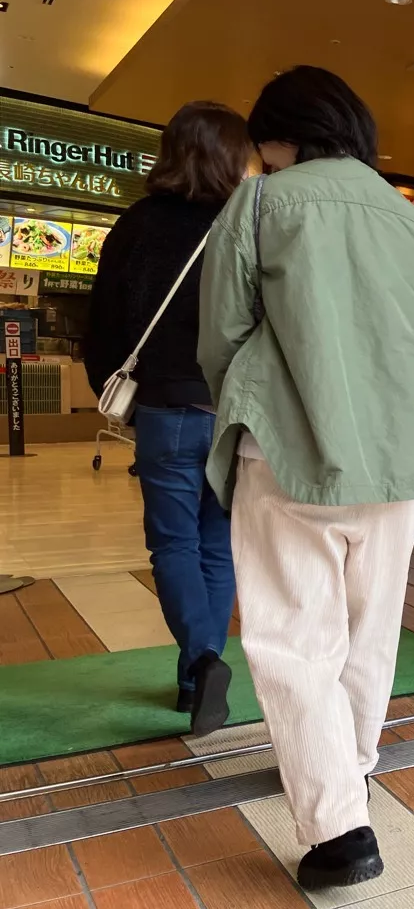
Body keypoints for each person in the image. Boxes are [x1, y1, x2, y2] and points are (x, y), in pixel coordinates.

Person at [198, 66, 414, 892]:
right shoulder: (406, 216)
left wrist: (242, 400)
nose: (260, 155)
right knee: (369, 631)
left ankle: (339, 833)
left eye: (263, 140)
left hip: (292, 448)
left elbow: (221, 335)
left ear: (282, 134)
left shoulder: (262, 204)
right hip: (398, 456)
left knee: (295, 639)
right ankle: (351, 775)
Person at [85, 101, 253, 737]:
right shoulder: (243, 223)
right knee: (217, 545)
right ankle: (196, 678)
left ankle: (203, 661)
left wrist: (116, 390)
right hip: (232, 409)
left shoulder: (135, 225)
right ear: (233, 156)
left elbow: (100, 327)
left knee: (173, 543)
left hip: (166, 409)